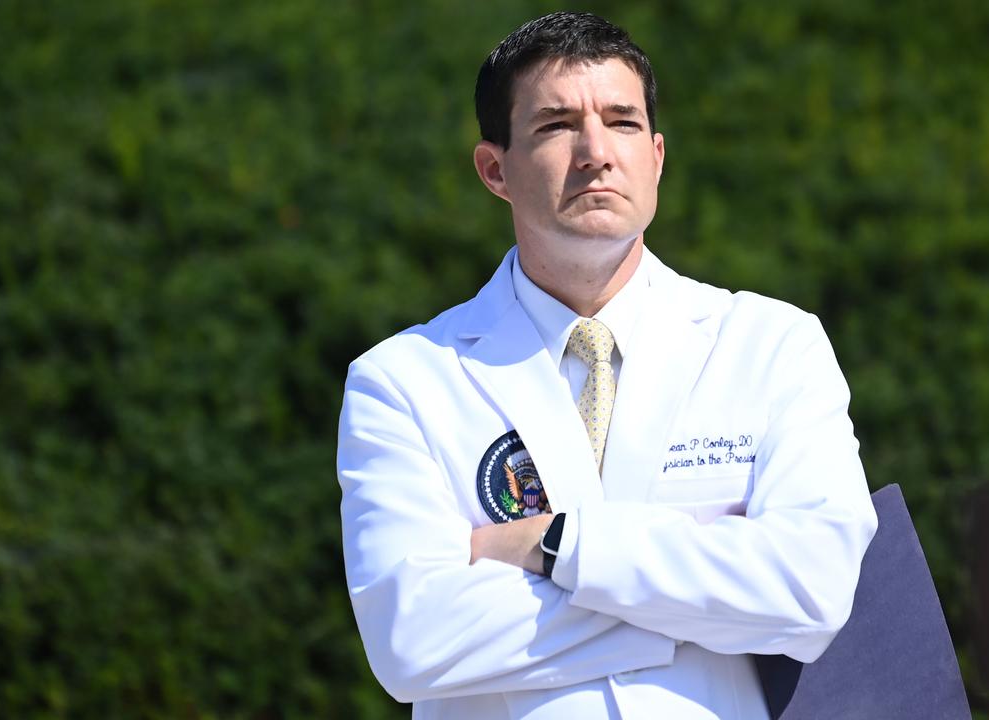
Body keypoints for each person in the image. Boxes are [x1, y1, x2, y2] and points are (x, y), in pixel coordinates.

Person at [336, 11, 878, 719]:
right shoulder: (403, 380)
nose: (596, 150)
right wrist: (704, 605)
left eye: (621, 122)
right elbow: (413, 640)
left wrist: (556, 545)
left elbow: (812, 590)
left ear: (655, 156)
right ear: (495, 169)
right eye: (557, 125)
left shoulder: (773, 345)